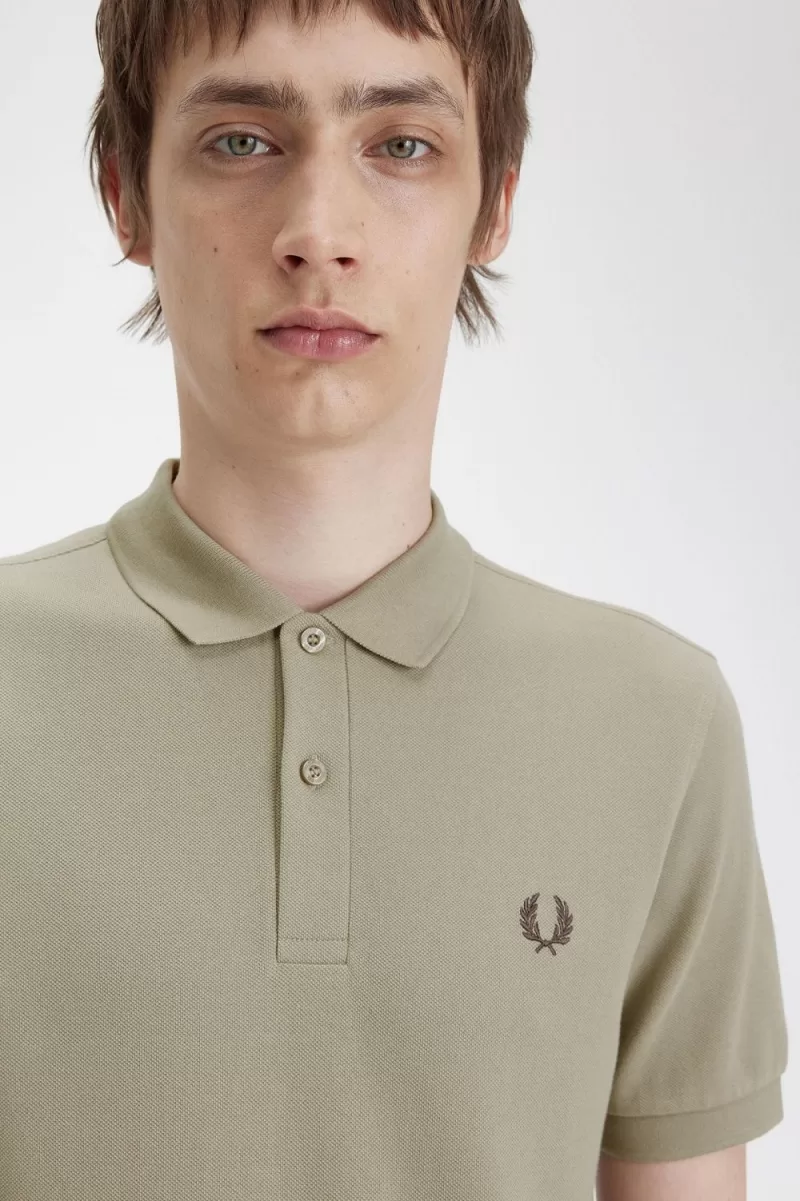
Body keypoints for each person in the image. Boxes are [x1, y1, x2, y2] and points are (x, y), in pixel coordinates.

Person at [0, 1, 788, 1198]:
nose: (319, 232)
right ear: (126, 197)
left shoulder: (652, 719)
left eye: (401, 145)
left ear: (494, 204)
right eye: (241, 141)